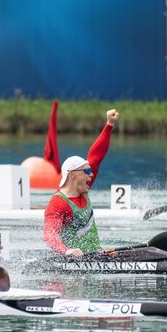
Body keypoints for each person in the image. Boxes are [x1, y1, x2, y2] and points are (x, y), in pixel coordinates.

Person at [44, 109, 120, 258]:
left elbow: (96, 156)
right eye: (87, 171)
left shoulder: (83, 189)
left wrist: (109, 124)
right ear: (72, 175)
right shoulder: (58, 203)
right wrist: (67, 251)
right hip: (72, 264)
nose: (91, 175)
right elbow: (49, 235)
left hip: (94, 256)